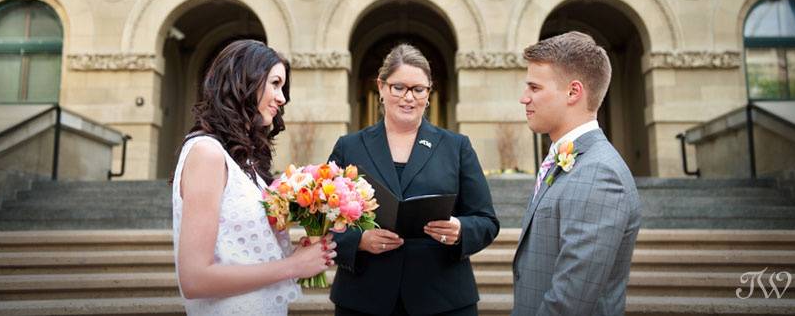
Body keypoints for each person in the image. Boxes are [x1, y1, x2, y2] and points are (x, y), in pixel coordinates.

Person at [328, 43, 499, 315]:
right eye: (399, 87)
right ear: (382, 87)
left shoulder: (456, 147)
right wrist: (358, 241)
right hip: (364, 298)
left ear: (428, 93)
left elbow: (486, 220)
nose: (409, 97)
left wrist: (460, 230)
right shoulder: (349, 147)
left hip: (443, 299)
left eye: (418, 89)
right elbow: (324, 219)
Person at [171, 39, 336, 315]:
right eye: (275, 84)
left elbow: (245, 256)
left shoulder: (245, 163)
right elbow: (194, 278)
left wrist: (296, 254)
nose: (282, 98)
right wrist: (293, 266)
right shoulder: (207, 154)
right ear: (243, 82)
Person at [512, 31, 641, 316]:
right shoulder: (566, 159)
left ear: (573, 92)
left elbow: (569, 302)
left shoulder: (598, 174)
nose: (524, 98)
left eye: (534, 88)